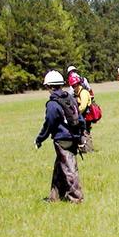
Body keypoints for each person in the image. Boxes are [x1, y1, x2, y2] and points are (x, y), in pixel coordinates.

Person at [34, 69, 83, 203]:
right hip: (74, 136)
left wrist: (40, 139)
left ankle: (76, 198)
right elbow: (80, 118)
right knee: (59, 168)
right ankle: (54, 197)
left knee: (69, 169)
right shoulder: (70, 98)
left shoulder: (52, 104)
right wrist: (81, 136)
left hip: (62, 139)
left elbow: (49, 124)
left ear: (48, 86)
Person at [68, 71, 95, 152]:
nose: (73, 87)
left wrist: (75, 113)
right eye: (72, 86)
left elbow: (83, 106)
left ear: (77, 84)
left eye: (74, 85)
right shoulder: (78, 92)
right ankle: (84, 148)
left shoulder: (83, 92)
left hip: (86, 115)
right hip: (83, 115)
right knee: (83, 131)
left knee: (85, 132)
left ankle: (89, 149)